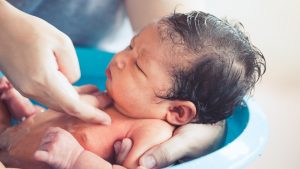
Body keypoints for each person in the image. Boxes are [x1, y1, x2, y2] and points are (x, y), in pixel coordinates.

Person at [0, 11, 266, 169]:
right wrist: (22, 106)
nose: (119, 58)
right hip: (9, 137)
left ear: (177, 111)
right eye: (130, 45)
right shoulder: (103, 95)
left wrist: (75, 158)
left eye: (138, 65)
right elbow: (49, 122)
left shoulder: (151, 132)